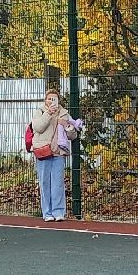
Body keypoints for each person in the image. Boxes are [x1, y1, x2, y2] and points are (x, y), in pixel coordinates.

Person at [30, 88, 79, 221]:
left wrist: (67, 126)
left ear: (58, 100)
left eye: (54, 99)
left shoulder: (64, 114)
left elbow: (73, 135)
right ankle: (47, 213)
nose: (51, 101)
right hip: (43, 151)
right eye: (49, 99)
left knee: (58, 183)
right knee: (45, 182)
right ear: (45, 100)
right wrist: (48, 113)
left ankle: (58, 212)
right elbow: (38, 127)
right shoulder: (40, 112)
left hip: (58, 152)